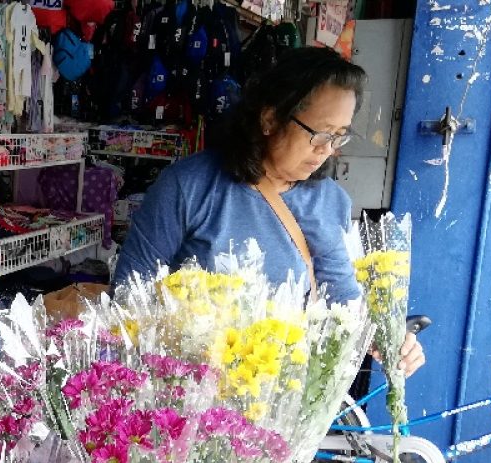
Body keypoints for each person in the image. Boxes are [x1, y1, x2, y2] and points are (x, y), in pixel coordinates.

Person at [112, 46, 425, 376]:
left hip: (283, 391)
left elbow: (343, 304)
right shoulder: (189, 187)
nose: (327, 150)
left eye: (338, 136)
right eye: (319, 133)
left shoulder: (329, 202)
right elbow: (128, 296)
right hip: (188, 385)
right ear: (270, 119)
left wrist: (388, 340)